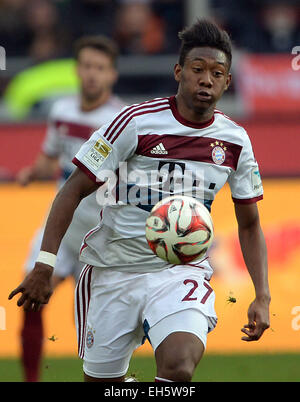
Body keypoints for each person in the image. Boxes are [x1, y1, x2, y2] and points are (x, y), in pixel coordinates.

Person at [9, 19, 271, 382]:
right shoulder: (135, 122)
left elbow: (250, 222)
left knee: (179, 368)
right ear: (179, 72)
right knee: (104, 383)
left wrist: (262, 295)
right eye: (197, 70)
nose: (206, 79)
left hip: (179, 271)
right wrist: (45, 263)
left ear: (228, 81)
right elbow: (71, 189)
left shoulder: (235, 141)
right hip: (114, 269)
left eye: (217, 72)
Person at [15, 35, 124, 382]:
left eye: (100, 68)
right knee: (31, 294)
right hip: (61, 228)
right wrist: (34, 171)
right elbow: (52, 158)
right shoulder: (61, 110)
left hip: (101, 236)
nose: (92, 74)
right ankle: (31, 378)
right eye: (87, 66)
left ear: (112, 75)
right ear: (77, 70)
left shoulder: (120, 120)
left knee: (98, 325)